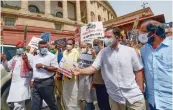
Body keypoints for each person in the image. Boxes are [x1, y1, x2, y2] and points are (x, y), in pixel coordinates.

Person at [72, 27, 146, 110]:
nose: (106, 39)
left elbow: (138, 70)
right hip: (115, 97)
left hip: (133, 96)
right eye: (105, 37)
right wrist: (80, 71)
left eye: (108, 37)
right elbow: (93, 68)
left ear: (117, 38)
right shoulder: (103, 53)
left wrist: (140, 89)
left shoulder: (130, 51)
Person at [140, 20, 172, 110]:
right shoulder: (143, 50)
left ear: (153, 32)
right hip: (153, 102)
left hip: (170, 102)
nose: (140, 35)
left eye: (143, 32)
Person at [1, 41, 32, 110]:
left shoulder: (29, 56)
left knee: (19, 103)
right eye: (18, 48)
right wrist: (4, 60)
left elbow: (32, 68)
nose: (19, 49)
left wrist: (26, 61)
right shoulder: (15, 57)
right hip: (14, 83)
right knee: (16, 102)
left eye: (21, 48)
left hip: (23, 83)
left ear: (23, 48)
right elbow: (8, 68)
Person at [30, 40, 59, 110]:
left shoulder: (52, 56)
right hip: (36, 83)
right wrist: (32, 80)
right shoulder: (35, 57)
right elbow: (34, 70)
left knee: (51, 103)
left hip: (47, 83)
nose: (44, 48)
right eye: (42, 47)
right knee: (35, 105)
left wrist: (43, 66)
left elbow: (55, 69)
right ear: (39, 48)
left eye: (46, 47)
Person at [60, 38, 80, 110]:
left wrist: (72, 70)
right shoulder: (64, 52)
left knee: (74, 94)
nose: (68, 45)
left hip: (73, 77)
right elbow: (63, 62)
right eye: (67, 44)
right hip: (65, 76)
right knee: (66, 93)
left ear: (73, 45)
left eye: (70, 44)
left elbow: (77, 64)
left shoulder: (76, 52)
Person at [92, 39, 111, 110]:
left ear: (101, 45)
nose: (95, 46)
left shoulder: (104, 53)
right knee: (100, 103)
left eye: (97, 44)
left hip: (103, 83)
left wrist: (94, 56)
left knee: (104, 105)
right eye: (94, 44)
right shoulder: (97, 53)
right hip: (97, 83)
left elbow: (97, 67)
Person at [78, 42, 96, 110]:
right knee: (84, 96)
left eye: (84, 47)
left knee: (89, 97)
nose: (82, 49)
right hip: (82, 77)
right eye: (81, 47)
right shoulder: (80, 54)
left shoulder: (94, 55)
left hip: (90, 78)